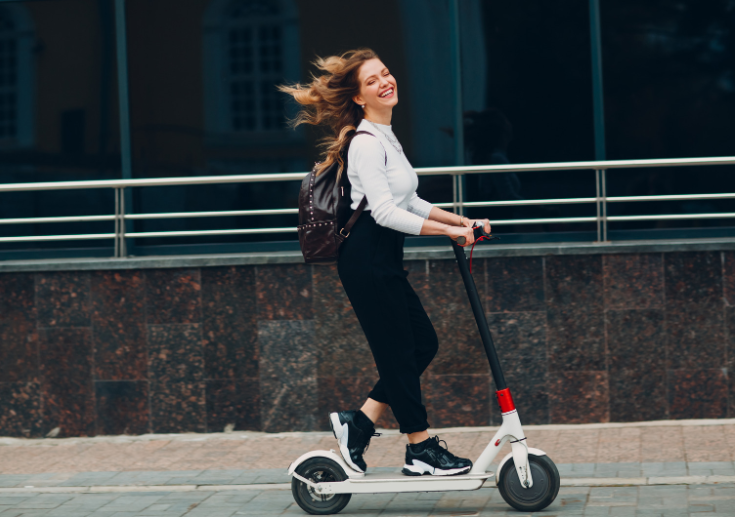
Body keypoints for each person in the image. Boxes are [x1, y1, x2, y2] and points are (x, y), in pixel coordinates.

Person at [280, 49, 491, 477]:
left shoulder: (385, 135)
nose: (385, 82)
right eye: (373, 80)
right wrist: (451, 234)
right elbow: (385, 212)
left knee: (421, 345)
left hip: (383, 260)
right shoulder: (363, 144)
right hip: (367, 261)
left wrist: (463, 220)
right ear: (359, 96)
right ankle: (420, 448)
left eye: (387, 73)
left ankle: (358, 424)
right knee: (398, 353)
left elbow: (410, 200)